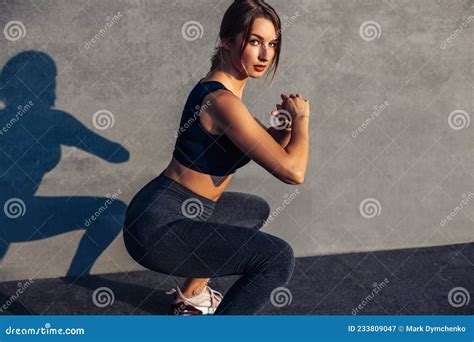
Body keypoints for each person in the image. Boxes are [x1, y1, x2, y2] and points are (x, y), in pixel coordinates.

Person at [123, 0, 310, 315]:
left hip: (181, 212)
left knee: (253, 210)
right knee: (276, 258)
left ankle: (191, 297)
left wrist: (287, 127)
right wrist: (303, 120)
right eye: (254, 42)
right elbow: (293, 171)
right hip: (158, 228)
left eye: (272, 43)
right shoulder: (223, 102)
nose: (266, 54)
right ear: (227, 40)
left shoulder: (223, 93)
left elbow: (266, 146)